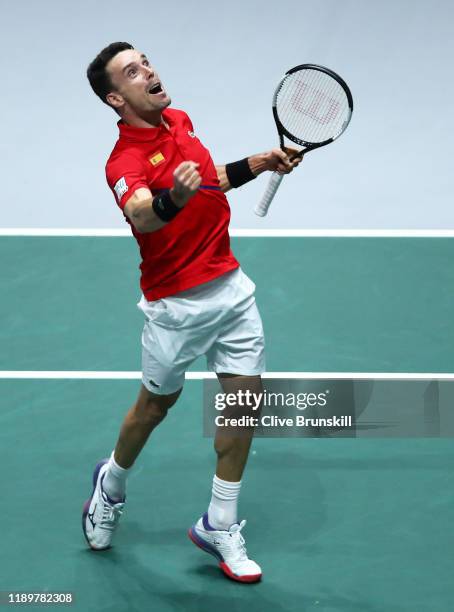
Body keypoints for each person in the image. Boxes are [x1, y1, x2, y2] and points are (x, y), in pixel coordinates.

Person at [84, 41, 300, 583]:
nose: (148, 71)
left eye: (146, 61)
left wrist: (258, 162)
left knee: (243, 405)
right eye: (132, 71)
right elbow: (142, 214)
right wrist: (171, 201)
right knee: (154, 409)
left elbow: (208, 181)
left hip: (230, 288)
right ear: (116, 98)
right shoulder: (123, 161)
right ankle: (111, 483)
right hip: (175, 305)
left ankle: (219, 521)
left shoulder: (180, 120)